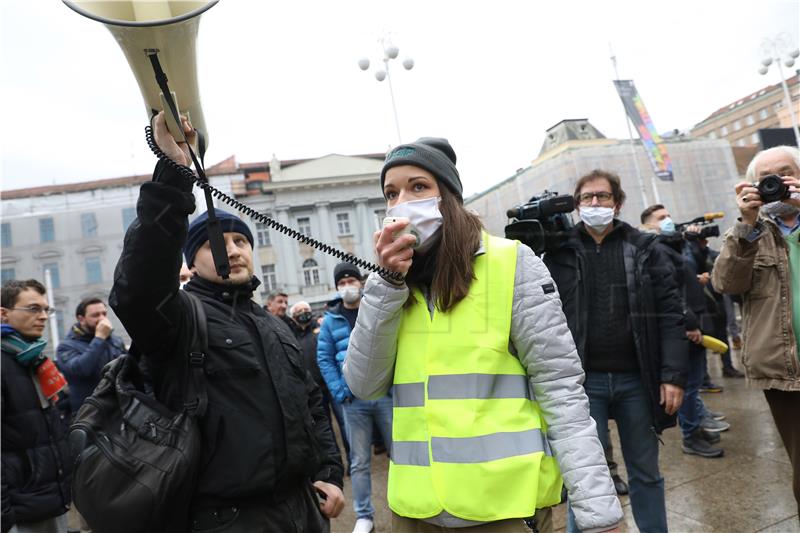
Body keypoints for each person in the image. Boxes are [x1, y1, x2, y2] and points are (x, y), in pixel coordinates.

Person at [344, 138, 622, 533]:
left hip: (503, 511)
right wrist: (386, 286)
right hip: (415, 512)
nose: (401, 202)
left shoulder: (512, 263)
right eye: (391, 193)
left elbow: (560, 389)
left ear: (449, 197)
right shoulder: (391, 286)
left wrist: (598, 511)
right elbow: (363, 385)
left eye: (418, 187)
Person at [109, 112, 345, 532]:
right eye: (216, 243)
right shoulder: (181, 317)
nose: (233, 250)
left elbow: (310, 404)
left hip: (300, 511)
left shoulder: (272, 324)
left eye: (241, 241)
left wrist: (328, 470)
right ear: (192, 261)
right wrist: (173, 177)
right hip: (226, 519)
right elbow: (139, 287)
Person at [542, 170, 687, 533]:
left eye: (602, 197)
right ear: (576, 206)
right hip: (582, 382)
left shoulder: (644, 248)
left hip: (636, 380)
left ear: (617, 203)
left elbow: (671, 314)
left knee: (646, 473)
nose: (595, 203)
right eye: (587, 198)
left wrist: (672, 375)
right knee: (585, 479)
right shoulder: (557, 252)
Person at [712, 145, 800, 512]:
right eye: (768, 179)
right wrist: (746, 224)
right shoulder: (751, 234)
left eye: (785, 173)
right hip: (783, 374)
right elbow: (726, 283)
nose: (777, 183)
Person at [641, 204, 724, 458]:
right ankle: (690, 434)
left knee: (695, 383)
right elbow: (672, 295)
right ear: (648, 225)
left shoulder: (671, 246)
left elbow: (687, 278)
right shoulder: (657, 250)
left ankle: (695, 426)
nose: (668, 220)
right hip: (686, 326)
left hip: (693, 321)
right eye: (661, 218)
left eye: (668, 215)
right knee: (688, 386)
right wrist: (688, 325)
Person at [318, 263, 392, 533]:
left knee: (401, 454)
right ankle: (364, 516)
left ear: (360, 282)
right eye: (342, 282)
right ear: (337, 287)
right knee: (359, 462)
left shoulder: (373, 311)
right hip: (353, 402)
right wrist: (339, 392)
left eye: (351, 279)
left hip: (384, 395)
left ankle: (403, 504)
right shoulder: (331, 320)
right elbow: (323, 358)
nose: (348, 285)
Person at [1, 279, 72, 533]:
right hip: (20, 514)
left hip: (51, 501)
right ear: (4, 313)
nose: (43, 316)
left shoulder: (34, 357)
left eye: (46, 310)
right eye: (33, 309)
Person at [289, 301, 350, 467]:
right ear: (294, 317)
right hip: (313, 390)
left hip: (331, 386)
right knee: (326, 429)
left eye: (306, 310)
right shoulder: (292, 336)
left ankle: (351, 459)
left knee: (345, 423)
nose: (304, 313)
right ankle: (337, 461)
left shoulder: (322, 328)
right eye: (299, 311)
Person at [56, 297, 127, 413]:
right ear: (81, 319)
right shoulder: (65, 347)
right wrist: (99, 338)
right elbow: (82, 370)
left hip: (119, 408)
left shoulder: (115, 341)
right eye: (95, 315)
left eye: (104, 314)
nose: (102, 319)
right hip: (89, 414)